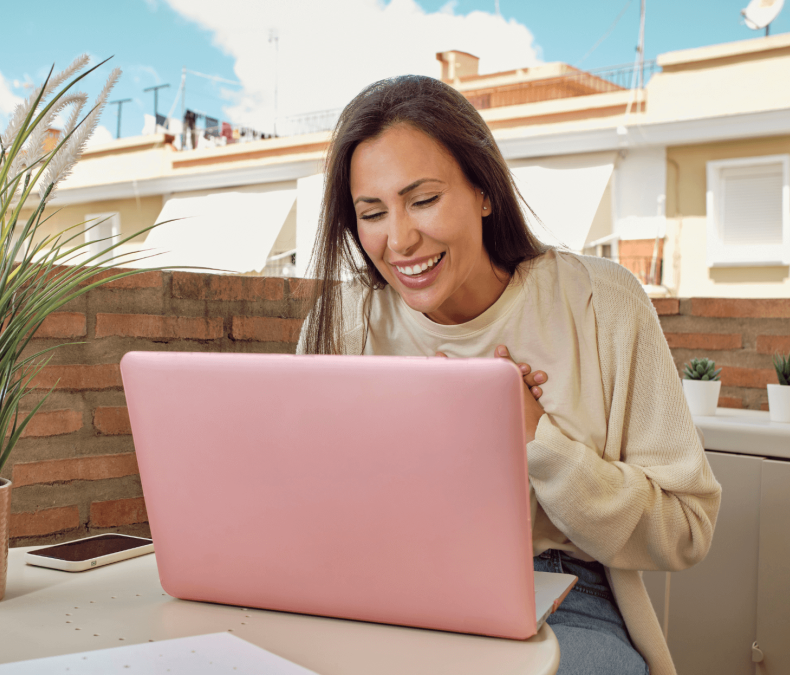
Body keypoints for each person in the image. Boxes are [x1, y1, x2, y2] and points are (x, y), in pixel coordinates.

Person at [296, 75, 721, 675]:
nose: (400, 240)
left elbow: (686, 529)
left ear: (484, 191)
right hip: (389, 591)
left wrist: (536, 438)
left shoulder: (602, 305)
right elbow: (307, 513)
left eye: (423, 200)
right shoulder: (339, 323)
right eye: (372, 213)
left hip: (561, 596)